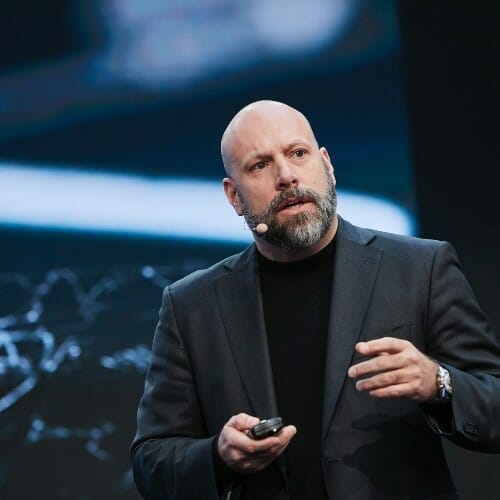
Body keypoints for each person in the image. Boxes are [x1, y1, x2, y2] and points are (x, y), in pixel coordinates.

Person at [131, 100, 500, 499]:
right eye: (260, 166)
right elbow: (152, 460)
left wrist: (438, 382)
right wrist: (218, 457)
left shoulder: (420, 267)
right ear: (233, 196)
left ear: (327, 165)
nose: (287, 177)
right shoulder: (191, 306)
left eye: (298, 154)